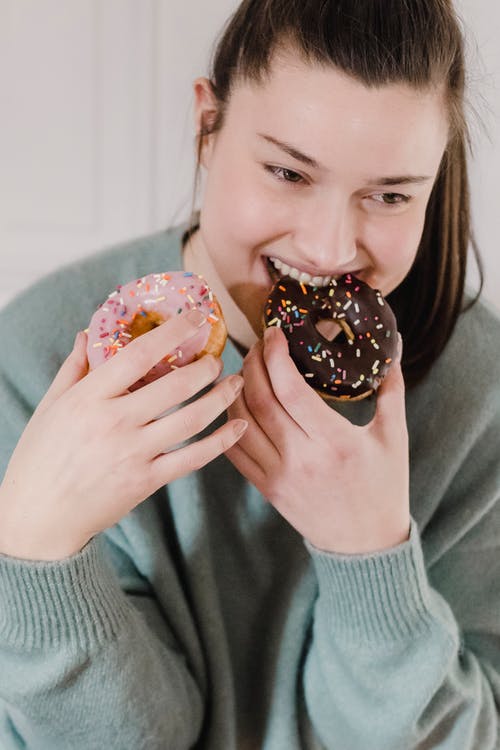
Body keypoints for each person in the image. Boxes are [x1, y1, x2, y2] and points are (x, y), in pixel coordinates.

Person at [0, 0, 499, 747]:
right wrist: (36, 556)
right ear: (209, 126)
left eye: (391, 194)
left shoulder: (480, 392)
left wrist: (370, 555)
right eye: (289, 172)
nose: (331, 248)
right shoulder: (42, 356)